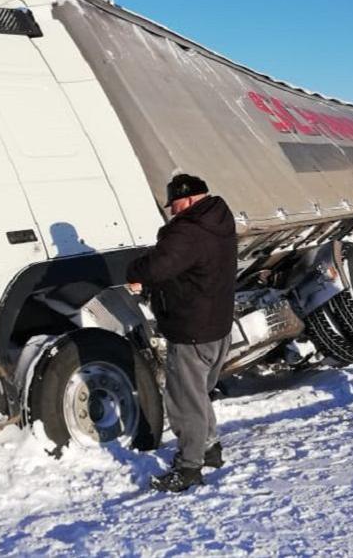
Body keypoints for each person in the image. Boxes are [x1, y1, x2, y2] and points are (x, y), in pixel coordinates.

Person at [126, 174, 238, 492]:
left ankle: (189, 469)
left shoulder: (188, 231)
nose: (172, 212)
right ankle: (210, 448)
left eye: (174, 204)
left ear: (187, 199)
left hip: (191, 330)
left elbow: (159, 267)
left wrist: (134, 272)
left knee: (183, 401)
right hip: (217, 326)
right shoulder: (220, 221)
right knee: (198, 393)